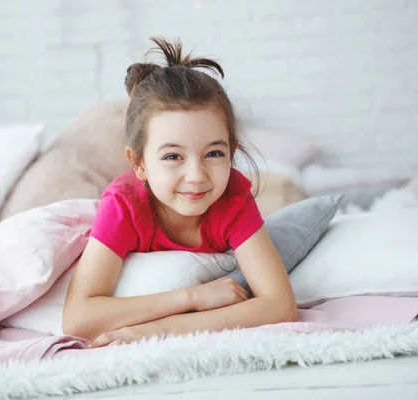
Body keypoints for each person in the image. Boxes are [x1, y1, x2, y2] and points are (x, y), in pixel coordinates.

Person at [62, 37, 297, 347]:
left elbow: (280, 305)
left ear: (232, 152)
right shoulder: (124, 204)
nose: (197, 177)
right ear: (139, 163)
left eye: (214, 154)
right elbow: (78, 319)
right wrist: (192, 297)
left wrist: (160, 330)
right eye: (173, 156)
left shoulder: (233, 197)